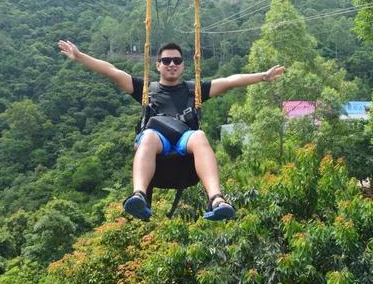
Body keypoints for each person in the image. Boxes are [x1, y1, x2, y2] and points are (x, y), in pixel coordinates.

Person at [58, 39, 284, 221]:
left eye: (176, 60)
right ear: (158, 65)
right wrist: (79, 56)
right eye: (166, 61)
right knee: (147, 137)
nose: (172, 64)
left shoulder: (193, 90)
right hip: (158, 141)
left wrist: (263, 77)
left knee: (200, 136)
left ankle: (216, 198)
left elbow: (229, 81)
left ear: (183, 65)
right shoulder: (147, 89)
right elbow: (112, 71)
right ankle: (139, 195)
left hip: (184, 141)